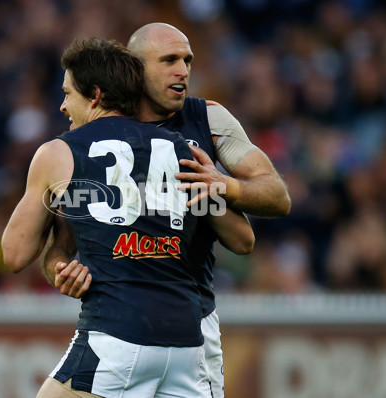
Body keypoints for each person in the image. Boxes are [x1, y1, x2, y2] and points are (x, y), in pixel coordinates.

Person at [43, 23, 291, 398]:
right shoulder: (90, 139)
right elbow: (60, 243)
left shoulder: (207, 119)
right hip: (121, 319)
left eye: (187, 60)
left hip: (193, 320)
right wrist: (59, 270)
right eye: (170, 60)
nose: (183, 71)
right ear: (135, 68)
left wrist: (221, 186)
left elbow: (276, 197)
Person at [2, 37, 252, 398]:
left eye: (68, 93)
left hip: (118, 335)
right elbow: (243, 239)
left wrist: (58, 216)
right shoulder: (183, 151)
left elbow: (14, 254)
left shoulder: (58, 153)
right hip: (188, 344)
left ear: (95, 96)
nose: (61, 106)